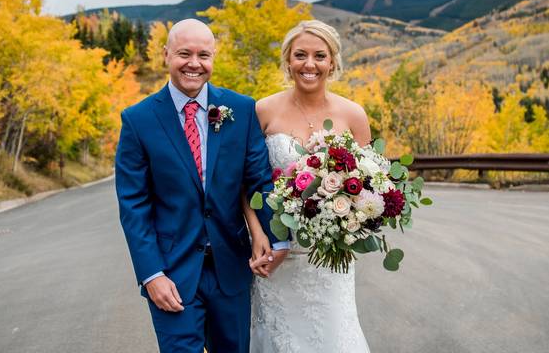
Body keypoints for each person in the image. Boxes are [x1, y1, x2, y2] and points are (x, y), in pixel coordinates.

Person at [115, 18, 288, 353]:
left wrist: (277, 238)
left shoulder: (240, 109)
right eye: (184, 53)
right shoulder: (137, 120)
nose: (194, 64)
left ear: (213, 59)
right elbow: (134, 206)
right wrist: (151, 274)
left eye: (203, 55)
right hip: (172, 273)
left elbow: (259, 181)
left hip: (231, 268)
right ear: (165, 55)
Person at [244, 19, 372, 352]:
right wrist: (259, 235)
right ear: (288, 61)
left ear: (333, 62)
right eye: (300, 55)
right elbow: (244, 183)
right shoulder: (262, 111)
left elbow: (369, 186)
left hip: (328, 258)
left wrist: (347, 221)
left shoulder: (353, 115)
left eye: (320, 56)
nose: (309, 64)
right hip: (274, 252)